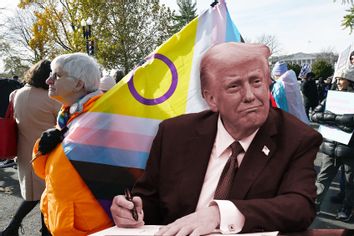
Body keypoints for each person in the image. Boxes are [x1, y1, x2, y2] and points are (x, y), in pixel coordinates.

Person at [110, 42, 323, 234]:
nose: (251, 95)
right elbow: (148, 200)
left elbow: (300, 206)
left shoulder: (297, 138)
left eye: (256, 82)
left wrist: (220, 213)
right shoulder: (174, 134)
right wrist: (132, 211)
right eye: (234, 86)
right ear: (211, 99)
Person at [31, 53, 113, 235]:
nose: (48, 80)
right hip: (60, 220)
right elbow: (43, 172)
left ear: (78, 84)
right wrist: (42, 147)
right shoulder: (69, 116)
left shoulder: (102, 119)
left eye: (56, 75)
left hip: (86, 228)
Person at [0, 60, 60, 236]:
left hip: (24, 150)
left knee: (36, 194)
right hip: (47, 152)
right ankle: (37, 230)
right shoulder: (52, 99)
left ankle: (13, 228)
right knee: (45, 194)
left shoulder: (15, 94)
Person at [311, 65, 354, 222]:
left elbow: (351, 121)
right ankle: (314, 205)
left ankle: (347, 208)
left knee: (350, 182)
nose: (338, 81)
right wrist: (337, 120)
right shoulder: (331, 97)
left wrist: (331, 119)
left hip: (350, 149)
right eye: (337, 79)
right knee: (322, 178)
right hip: (330, 146)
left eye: (342, 79)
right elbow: (315, 115)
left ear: (350, 81)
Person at [0, 78, 23, 168]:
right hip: (16, 114)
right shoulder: (15, 83)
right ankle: (12, 158)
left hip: (4, 116)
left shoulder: (4, 83)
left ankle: (9, 158)